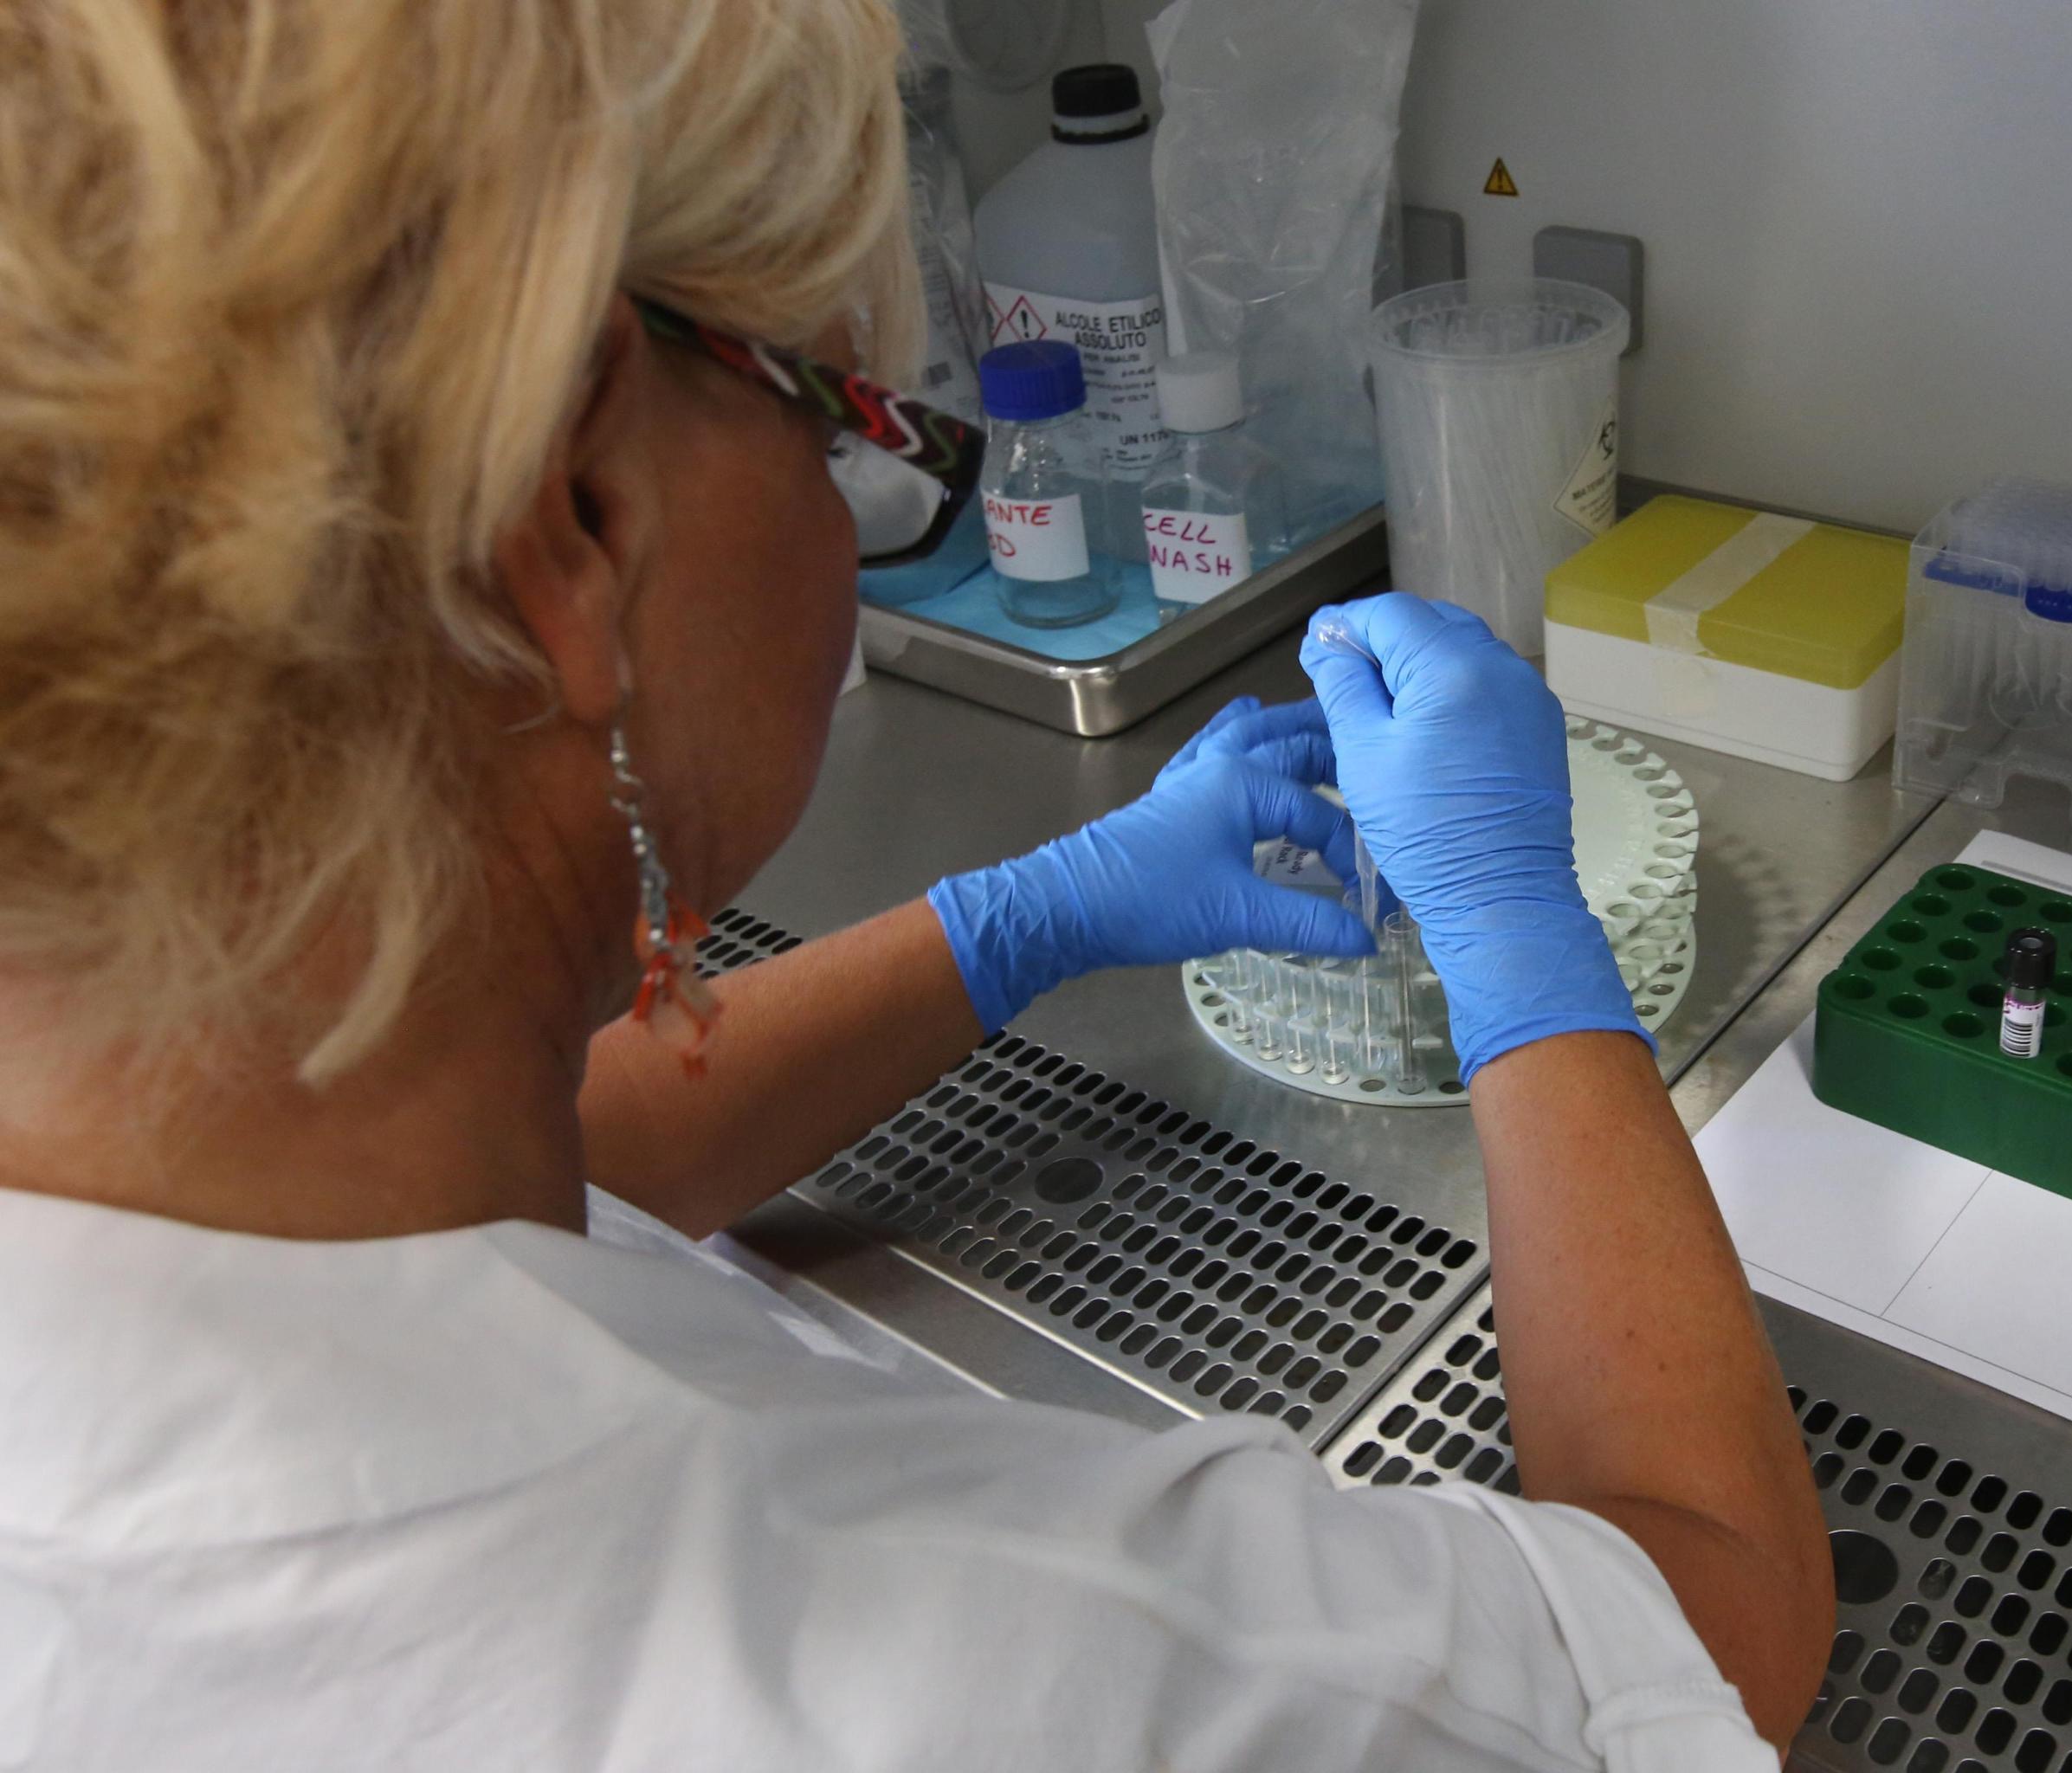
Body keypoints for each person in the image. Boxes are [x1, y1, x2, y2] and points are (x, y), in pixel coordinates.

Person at [0, 2, 1834, 1768]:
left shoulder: (197, 1162)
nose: (845, 505)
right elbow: (1704, 1634)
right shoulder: (1012, 1669)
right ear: (578, 519)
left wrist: (1033, 911)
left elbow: (555, 1166)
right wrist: (1516, 924)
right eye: (835, 426)